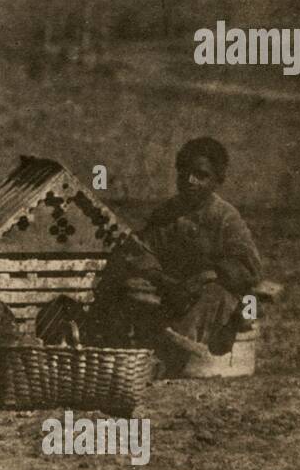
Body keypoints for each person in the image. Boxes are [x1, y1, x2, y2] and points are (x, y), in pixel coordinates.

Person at [94, 137, 261, 361]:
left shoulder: (225, 217)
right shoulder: (167, 213)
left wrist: (205, 276)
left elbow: (248, 266)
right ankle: (118, 348)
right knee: (127, 285)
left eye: (201, 175)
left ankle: (174, 349)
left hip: (208, 296)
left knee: (217, 295)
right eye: (184, 172)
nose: (190, 180)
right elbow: (142, 251)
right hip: (172, 291)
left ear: (217, 180)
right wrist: (164, 281)